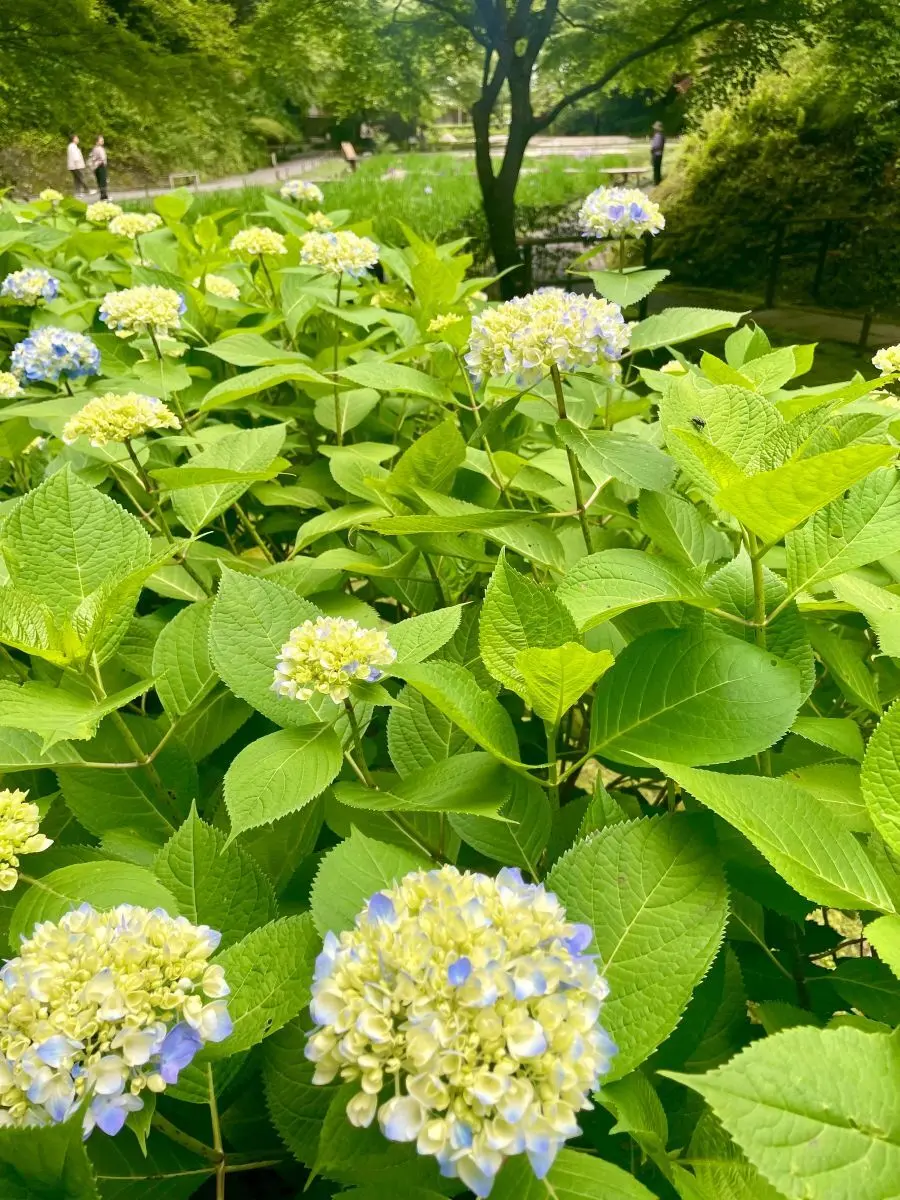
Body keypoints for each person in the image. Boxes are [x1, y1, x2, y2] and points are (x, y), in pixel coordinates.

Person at [650, 121, 666, 186]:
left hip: (657, 154)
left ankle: (656, 182)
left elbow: (657, 146)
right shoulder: (660, 136)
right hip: (658, 154)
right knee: (657, 168)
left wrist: (652, 149)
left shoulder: (658, 136)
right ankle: (657, 181)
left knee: (656, 169)